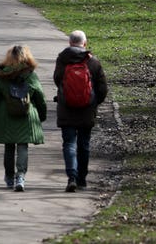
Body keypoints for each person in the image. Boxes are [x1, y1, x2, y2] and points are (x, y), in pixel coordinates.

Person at [0, 45, 47, 192]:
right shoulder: (31, 75)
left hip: (6, 116)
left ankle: (9, 177)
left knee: (9, 147)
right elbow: (40, 97)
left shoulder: (2, 76)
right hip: (26, 116)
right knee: (23, 146)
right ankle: (20, 177)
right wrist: (42, 114)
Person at [54, 30, 108, 192]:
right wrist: (94, 102)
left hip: (66, 108)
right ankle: (82, 179)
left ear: (70, 43)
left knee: (69, 143)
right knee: (84, 144)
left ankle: (71, 177)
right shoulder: (93, 62)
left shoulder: (62, 60)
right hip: (87, 110)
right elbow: (102, 88)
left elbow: (58, 80)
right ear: (85, 43)